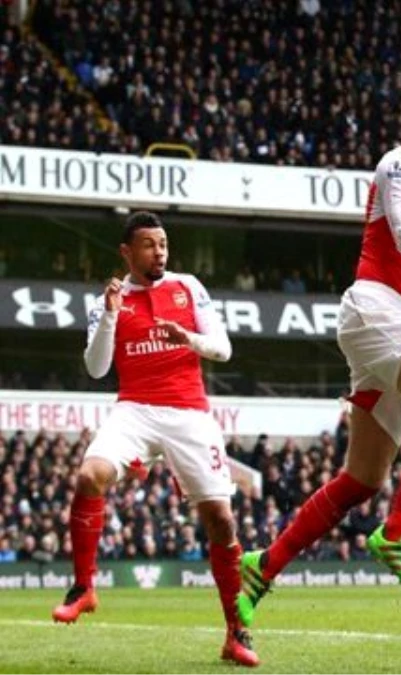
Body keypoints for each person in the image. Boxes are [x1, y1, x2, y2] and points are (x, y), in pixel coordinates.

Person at [236, 87, 401, 625]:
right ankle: (397, 532)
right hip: (378, 306)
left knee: (364, 477)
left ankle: (264, 565)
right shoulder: (400, 163)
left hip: (392, 320)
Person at [51, 211, 255, 666]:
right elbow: (97, 368)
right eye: (149, 244)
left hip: (189, 412)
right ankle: (84, 587)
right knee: (90, 476)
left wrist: (188, 339)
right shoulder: (110, 299)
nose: (159, 252)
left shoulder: (188, 287)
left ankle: (236, 632)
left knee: (221, 520)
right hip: (135, 409)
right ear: (127, 252)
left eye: (163, 244)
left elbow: (223, 349)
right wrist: (107, 316)